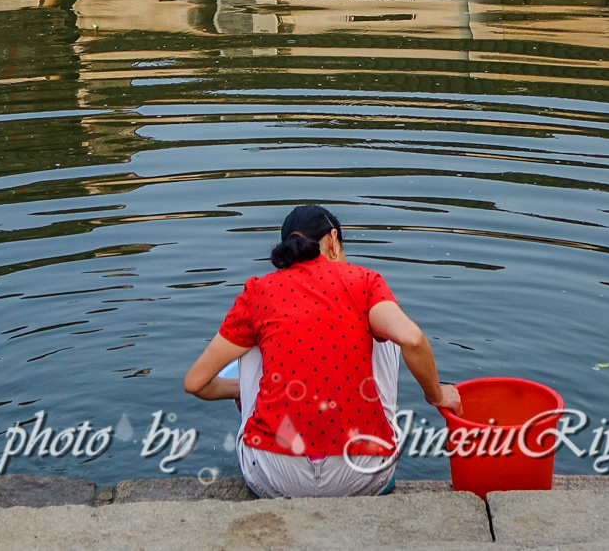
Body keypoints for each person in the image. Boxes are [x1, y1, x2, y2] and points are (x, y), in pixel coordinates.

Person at [182, 205, 462, 498]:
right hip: (363, 473)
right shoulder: (365, 281)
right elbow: (413, 340)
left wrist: (246, 389)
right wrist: (437, 395)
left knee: (250, 340)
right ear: (332, 241)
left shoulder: (258, 291)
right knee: (386, 328)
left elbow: (194, 382)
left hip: (275, 475)